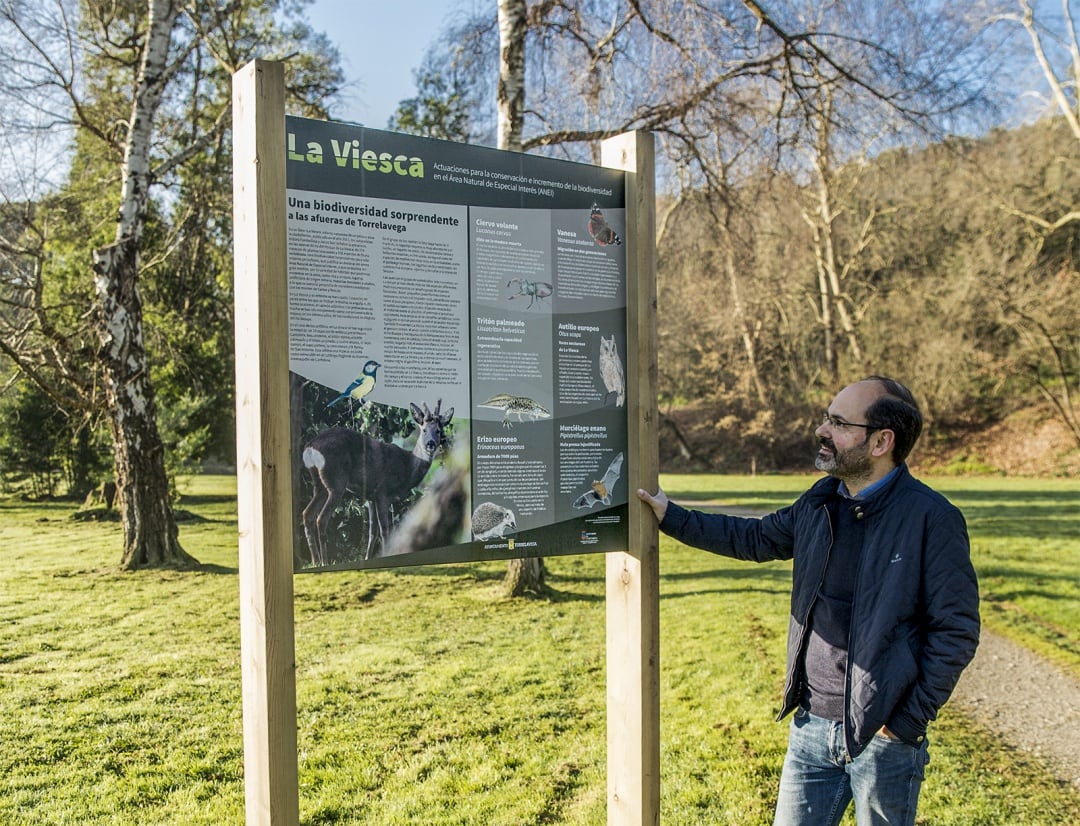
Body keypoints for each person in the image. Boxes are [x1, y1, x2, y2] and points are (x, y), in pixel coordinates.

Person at [637, 376, 980, 826]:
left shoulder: (932, 519)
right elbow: (754, 537)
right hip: (810, 728)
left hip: (883, 739)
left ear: (881, 441)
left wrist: (904, 725)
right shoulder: (819, 503)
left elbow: (956, 631)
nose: (821, 430)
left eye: (838, 423)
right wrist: (670, 515)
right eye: (826, 417)